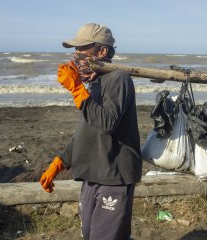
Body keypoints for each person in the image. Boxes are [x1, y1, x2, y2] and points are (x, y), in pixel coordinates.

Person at [39, 23, 142, 240]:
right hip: (92, 175)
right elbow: (85, 130)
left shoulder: (118, 79)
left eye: (83, 48)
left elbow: (106, 123)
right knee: (90, 234)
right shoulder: (93, 84)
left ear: (102, 51)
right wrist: (59, 163)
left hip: (114, 175)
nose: (76, 55)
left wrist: (77, 89)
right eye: (75, 49)